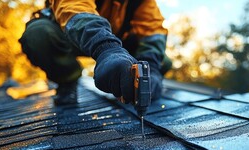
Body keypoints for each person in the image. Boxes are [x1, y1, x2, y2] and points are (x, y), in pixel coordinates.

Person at [19, 0, 171, 105]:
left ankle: (132, 79)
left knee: (163, 61)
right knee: (38, 36)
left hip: (115, 40)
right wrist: (106, 48)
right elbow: (75, 10)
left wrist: (151, 65)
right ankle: (66, 79)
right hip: (70, 32)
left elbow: (153, 30)